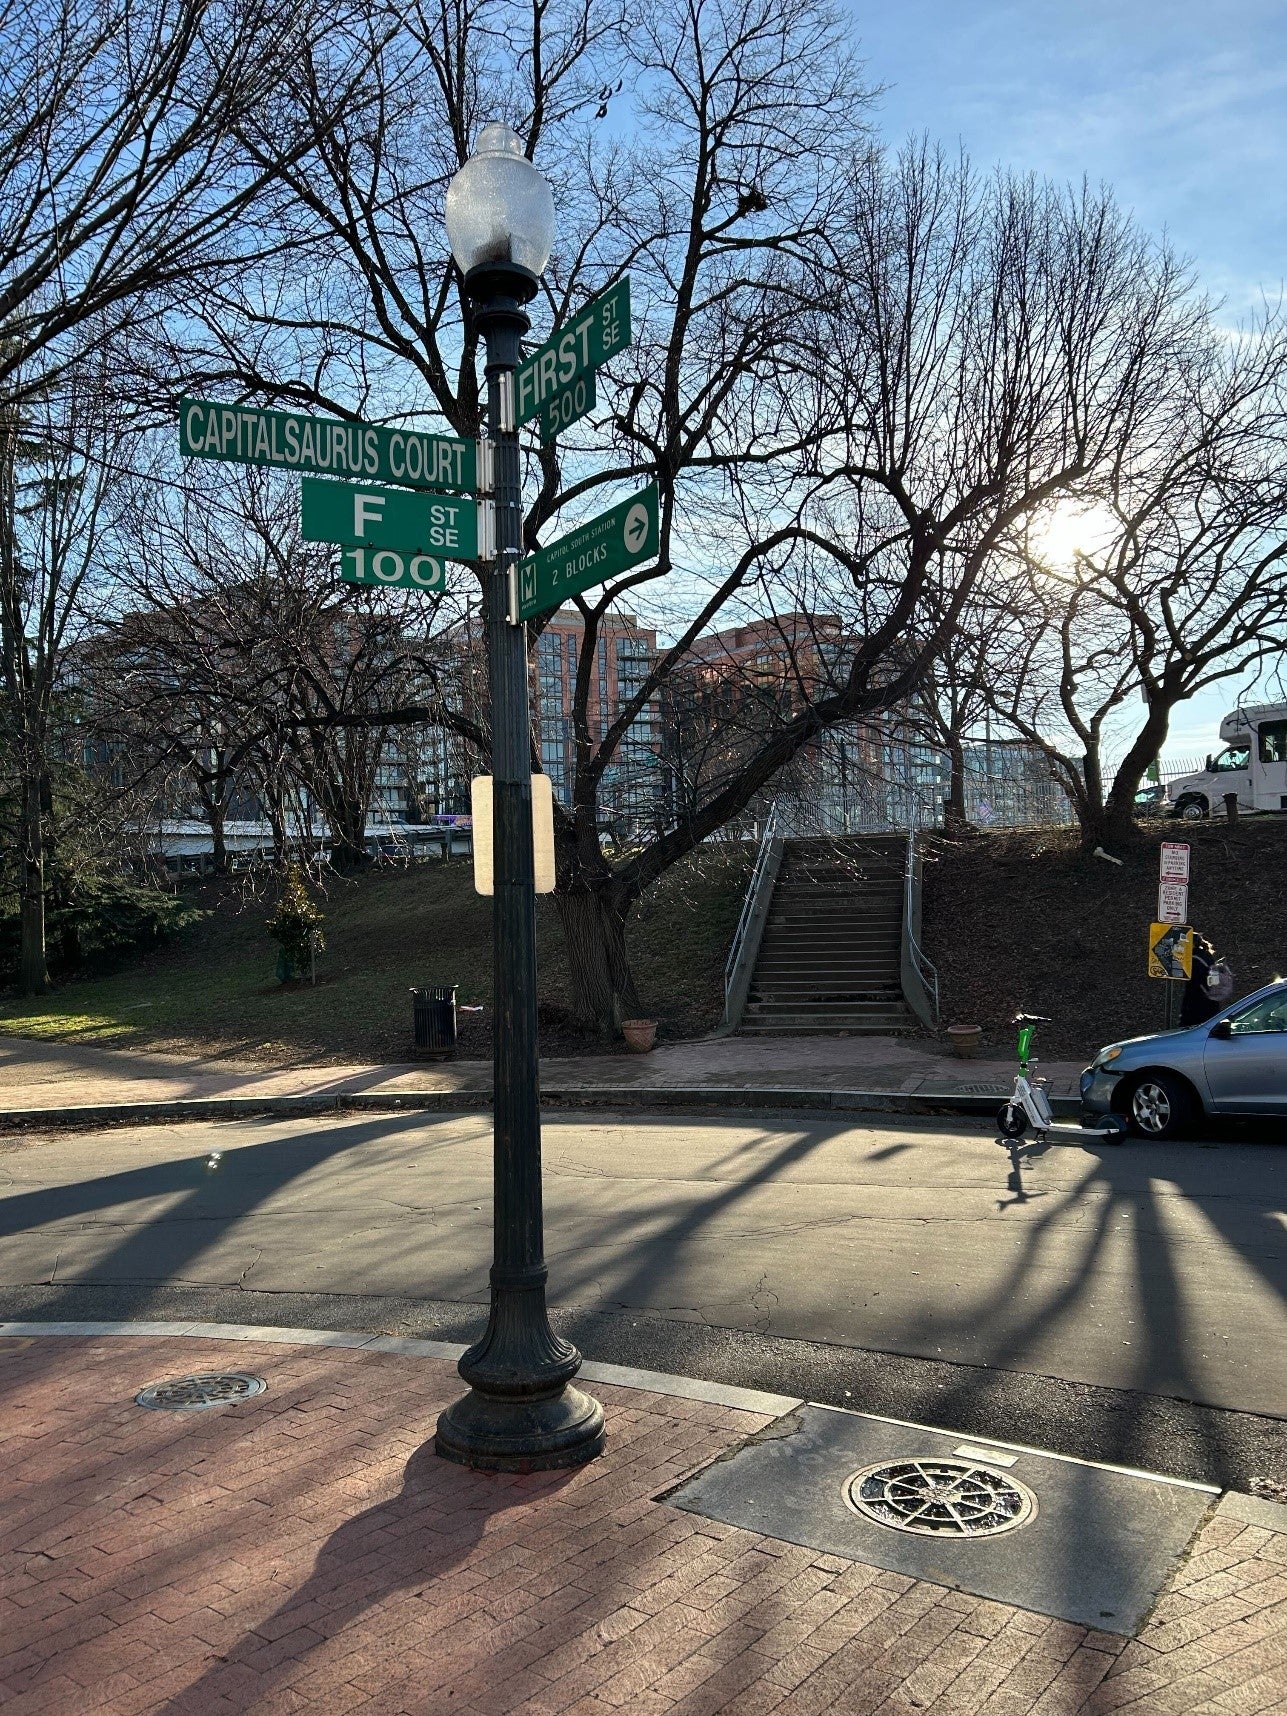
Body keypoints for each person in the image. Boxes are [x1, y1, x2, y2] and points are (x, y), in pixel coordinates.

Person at [1180, 934, 1221, 1026]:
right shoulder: (1207, 955)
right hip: (1211, 1002)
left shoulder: (1194, 960)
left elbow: (1193, 986)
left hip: (1197, 1005)